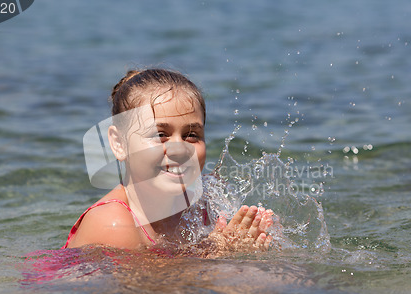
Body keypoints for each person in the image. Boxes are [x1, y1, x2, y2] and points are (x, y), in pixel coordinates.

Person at [62, 68, 273, 253]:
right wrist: (219, 252)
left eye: (191, 135)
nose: (179, 149)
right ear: (119, 143)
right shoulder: (113, 224)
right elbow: (151, 293)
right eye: (160, 134)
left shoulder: (204, 199)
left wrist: (261, 235)